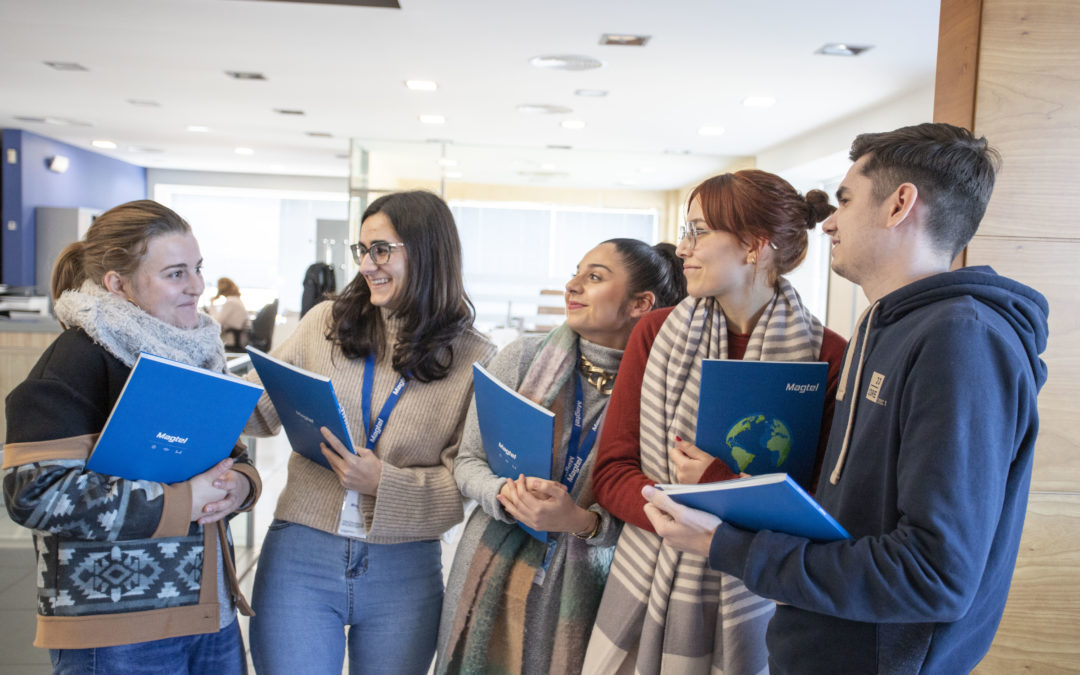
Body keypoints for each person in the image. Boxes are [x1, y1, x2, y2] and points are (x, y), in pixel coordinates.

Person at [641, 122, 1049, 674]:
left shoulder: (962, 338)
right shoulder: (887, 326)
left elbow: (933, 573)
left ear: (900, 204)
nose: (829, 222)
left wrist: (729, 546)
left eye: (846, 200)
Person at [584, 170, 848, 674]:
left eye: (698, 232)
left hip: (763, 597)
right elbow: (613, 469)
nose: (683, 249)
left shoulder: (829, 356)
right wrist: (680, 518)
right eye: (687, 231)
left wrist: (717, 487)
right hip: (649, 572)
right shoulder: (654, 333)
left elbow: (820, 508)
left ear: (754, 246)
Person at [245, 190, 497, 675]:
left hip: (404, 566)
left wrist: (384, 482)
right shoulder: (326, 323)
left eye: (381, 249)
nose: (367, 265)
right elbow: (259, 411)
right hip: (301, 551)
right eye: (362, 250)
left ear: (426, 253)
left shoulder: (475, 358)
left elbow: (464, 485)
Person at [3, 200, 259, 674]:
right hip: (117, 633)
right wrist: (183, 501)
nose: (197, 287)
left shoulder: (189, 350)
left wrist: (240, 485)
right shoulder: (76, 359)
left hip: (209, 615)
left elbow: (230, 453)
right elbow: (32, 492)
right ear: (117, 284)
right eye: (176, 273)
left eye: (197, 269)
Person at [437, 239, 687, 675]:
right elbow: (468, 462)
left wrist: (581, 521)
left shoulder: (662, 392)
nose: (571, 286)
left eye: (594, 277)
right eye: (576, 272)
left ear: (640, 304)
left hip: (588, 587)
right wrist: (506, 494)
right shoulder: (521, 358)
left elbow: (655, 510)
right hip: (490, 565)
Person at [208, 276, 250, 350]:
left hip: (231, 338)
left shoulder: (230, 302)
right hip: (239, 337)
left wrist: (211, 304)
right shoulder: (236, 299)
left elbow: (217, 322)